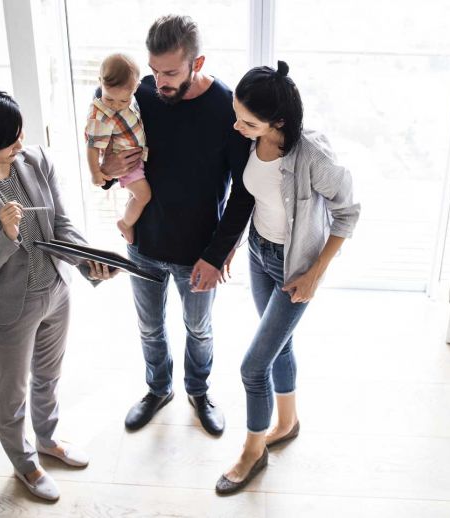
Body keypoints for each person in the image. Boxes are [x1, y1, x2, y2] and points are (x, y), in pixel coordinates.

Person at [0, 86, 114, 501]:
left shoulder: (35, 160)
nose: (21, 142)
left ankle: (49, 439)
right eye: (11, 137)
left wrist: (89, 262)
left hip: (55, 290)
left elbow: (62, 226)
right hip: (7, 310)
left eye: (21, 132)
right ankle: (24, 462)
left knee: (49, 377)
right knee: (11, 390)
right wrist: (6, 234)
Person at [99, 15, 255, 436]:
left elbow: (244, 192)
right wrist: (108, 170)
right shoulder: (141, 94)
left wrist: (217, 253)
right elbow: (110, 152)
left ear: (197, 62)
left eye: (170, 72)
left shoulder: (227, 107)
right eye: (153, 70)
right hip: (144, 244)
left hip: (198, 251)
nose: (158, 81)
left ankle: (199, 391)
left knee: (199, 329)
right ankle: (158, 388)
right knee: (149, 326)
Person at [215, 61, 361, 494]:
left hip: (294, 267)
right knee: (279, 347)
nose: (238, 126)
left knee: (252, 367)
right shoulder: (251, 140)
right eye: (236, 114)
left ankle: (252, 452)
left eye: (248, 120)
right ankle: (287, 422)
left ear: (278, 121)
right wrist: (231, 244)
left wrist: (316, 273)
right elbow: (251, 198)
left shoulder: (313, 157)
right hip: (260, 253)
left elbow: (349, 212)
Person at [85, 53, 150, 244]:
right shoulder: (101, 114)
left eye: (123, 101)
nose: (115, 106)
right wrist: (96, 172)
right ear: (100, 83)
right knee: (143, 195)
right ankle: (125, 224)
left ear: (135, 88)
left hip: (136, 158)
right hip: (125, 162)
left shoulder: (133, 96)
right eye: (109, 98)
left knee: (135, 195)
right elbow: (92, 147)